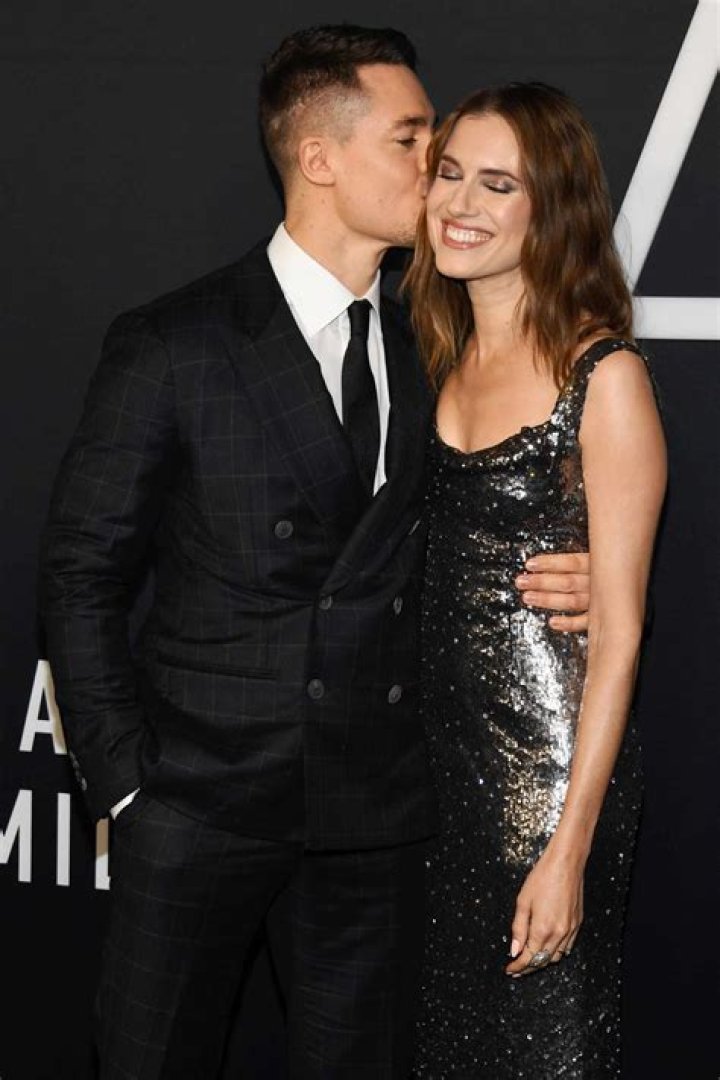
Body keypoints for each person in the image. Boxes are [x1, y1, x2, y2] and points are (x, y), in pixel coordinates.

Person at [39, 29, 590, 1079]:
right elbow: (80, 572)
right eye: (411, 139)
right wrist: (127, 790)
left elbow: (470, 536)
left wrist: (580, 576)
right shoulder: (178, 342)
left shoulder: (438, 343)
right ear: (320, 157)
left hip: (371, 813)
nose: (435, 166)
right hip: (198, 803)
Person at [405, 82, 667, 1077]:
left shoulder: (602, 376)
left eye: (498, 184)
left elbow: (622, 633)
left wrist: (569, 849)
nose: (461, 203)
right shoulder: (437, 353)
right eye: (450, 173)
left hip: (551, 775)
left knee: (544, 1047)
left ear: (550, 208)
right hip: (436, 782)